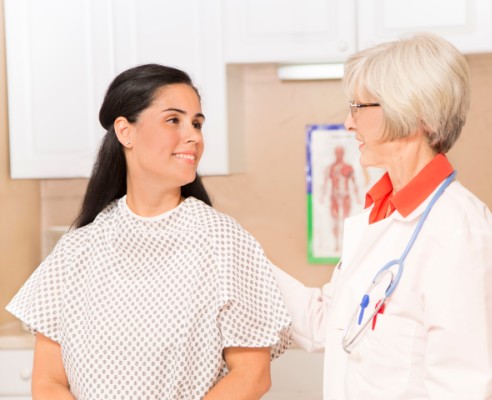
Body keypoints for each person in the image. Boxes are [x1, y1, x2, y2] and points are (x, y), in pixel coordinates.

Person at [6, 64, 292, 400]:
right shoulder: (76, 249)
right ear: (125, 131)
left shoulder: (224, 242)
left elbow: (252, 376)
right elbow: (48, 382)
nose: (194, 136)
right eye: (174, 120)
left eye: (197, 124)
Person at [272, 33, 492, 399]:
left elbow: (466, 387)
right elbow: (329, 324)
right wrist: (236, 252)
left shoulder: (459, 232)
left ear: (412, 112)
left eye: (359, 107)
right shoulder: (380, 212)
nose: (348, 123)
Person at [320, 145, 360, 252]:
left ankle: (345, 245)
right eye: (337, 152)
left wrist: (357, 198)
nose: (339, 155)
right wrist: (322, 197)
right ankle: (337, 244)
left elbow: (354, 182)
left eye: (340, 152)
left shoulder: (348, 167)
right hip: (334, 197)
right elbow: (324, 183)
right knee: (335, 221)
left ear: (343, 153)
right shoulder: (331, 168)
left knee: (346, 221)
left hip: (345, 196)